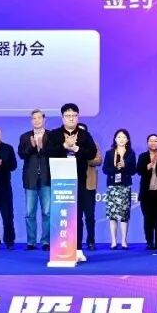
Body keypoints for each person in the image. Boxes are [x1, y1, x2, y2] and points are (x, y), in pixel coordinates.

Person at [44, 103, 99, 247]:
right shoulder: (54, 134)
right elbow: (47, 152)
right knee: (60, 214)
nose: (71, 118)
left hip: (79, 180)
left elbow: (92, 153)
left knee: (77, 215)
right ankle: (59, 248)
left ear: (78, 117)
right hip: (59, 180)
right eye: (68, 116)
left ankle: (77, 248)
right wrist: (64, 146)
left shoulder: (84, 135)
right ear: (62, 118)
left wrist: (76, 148)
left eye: (74, 115)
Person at [17, 109, 52, 251]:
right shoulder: (25, 136)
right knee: (29, 213)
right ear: (31, 121)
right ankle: (31, 241)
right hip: (30, 179)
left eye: (39, 118)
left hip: (46, 178)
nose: (37, 120)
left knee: (47, 212)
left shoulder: (51, 136)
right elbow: (21, 154)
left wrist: (43, 147)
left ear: (44, 119)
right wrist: (32, 147)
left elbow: (55, 154)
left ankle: (46, 241)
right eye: (34, 118)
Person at [102, 128, 136, 249]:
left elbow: (134, 170)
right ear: (115, 139)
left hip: (125, 186)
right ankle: (113, 241)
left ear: (127, 140)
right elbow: (105, 169)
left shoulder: (131, 153)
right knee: (112, 215)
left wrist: (125, 166)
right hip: (112, 186)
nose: (121, 139)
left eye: (124, 137)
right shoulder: (109, 153)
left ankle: (124, 241)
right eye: (119, 137)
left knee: (124, 214)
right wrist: (116, 168)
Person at [78, 123, 102, 251]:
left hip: (89, 185)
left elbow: (98, 160)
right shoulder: (68, 146)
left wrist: (84, 156)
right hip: (73, 185)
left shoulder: (93, 145)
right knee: (76, 216)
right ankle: (77, 242)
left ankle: (91, 240)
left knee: (89, 215)